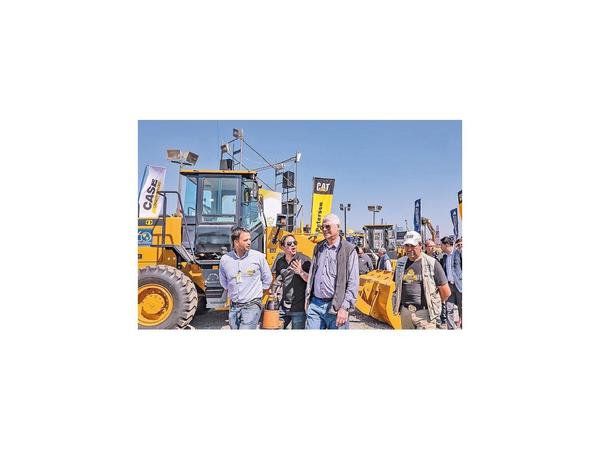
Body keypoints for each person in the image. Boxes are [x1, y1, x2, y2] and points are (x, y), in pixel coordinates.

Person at [305, 213, 359, 329]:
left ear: (337, 227)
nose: (324, 229)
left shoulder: (349, 250)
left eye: (328, 226)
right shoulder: (318, 248)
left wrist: (344, 307)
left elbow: (353, 282)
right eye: (322, 227)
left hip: (336, 307)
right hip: (315, 305)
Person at [392, 231, 451, 329]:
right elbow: (397, 287)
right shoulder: (400, 263)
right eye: (407, 246)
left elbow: (446, 292)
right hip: (405, 313)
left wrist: (434, 303)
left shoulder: (432, 263)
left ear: (420, 245)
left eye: (412, 246)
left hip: (425, 314)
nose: (409, 249)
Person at [219, 227, 272, 329]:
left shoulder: (258, 257)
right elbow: (224, 282)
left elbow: (268, 278)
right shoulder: (225, 260)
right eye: (245, 240)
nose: (249, 242)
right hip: (234, 306)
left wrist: (257, 292)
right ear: (236, 242)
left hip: (252, 305)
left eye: (249, 239)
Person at [272, 234, 311, 329]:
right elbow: (278, 279)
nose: (293, 245)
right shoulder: (280, 261)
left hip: (299, 309)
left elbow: (312, 281)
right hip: (283, 307)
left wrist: (301, 272)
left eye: (295, 243)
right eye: (289, 244)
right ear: (282, 247)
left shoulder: (304, 260)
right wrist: (274, 292)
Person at [440, 236, 460, 329]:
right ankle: (451, 329)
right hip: (449, 286)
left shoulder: (458, 253)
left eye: (442, 245)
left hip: (459, 286)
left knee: (461, 309)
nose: (440, 247)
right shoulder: (444, 257)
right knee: (449, 309)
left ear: (447, 245)